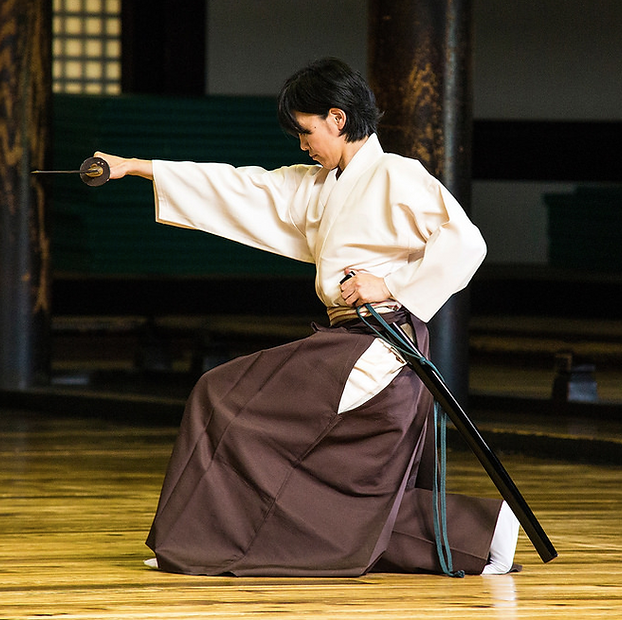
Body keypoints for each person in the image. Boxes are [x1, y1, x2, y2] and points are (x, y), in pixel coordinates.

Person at [97, 57, 520, 577]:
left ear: (337, 118)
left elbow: (467, 243)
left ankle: (203, 540)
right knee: (272, 437)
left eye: (306, 131)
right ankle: (484, 532)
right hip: (346, 341)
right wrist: (136, 166)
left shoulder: (397, 174)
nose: (302, 144)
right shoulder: (319, 184)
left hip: (379, 346)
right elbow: (238, 186)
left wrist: (391, 285)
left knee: (221, 396)